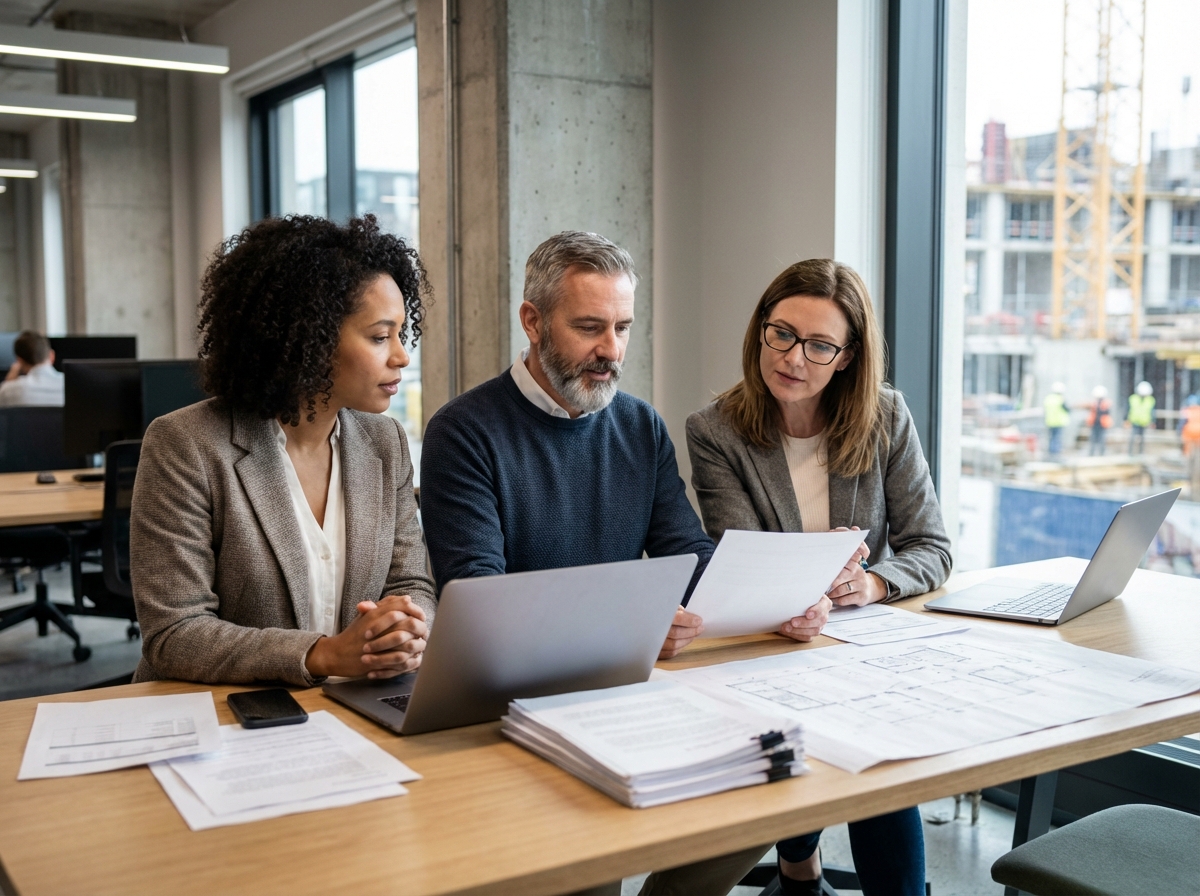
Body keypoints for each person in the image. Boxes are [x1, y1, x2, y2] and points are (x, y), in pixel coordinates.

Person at [420, 231, 780, 896]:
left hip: (625, 692)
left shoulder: (639, 426)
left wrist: (775, 603)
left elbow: (689, 555)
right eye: (589, 327)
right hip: (518, 708)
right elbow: (480, 600)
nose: (611, 351)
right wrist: (635, 624)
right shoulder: (464, 432)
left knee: (763, 787)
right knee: (588, 876)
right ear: (532, 321)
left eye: (622, 328)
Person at [686, 258, 952, 896]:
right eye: (781, 333)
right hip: (771, 644)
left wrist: (873, 584)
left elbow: (931, 547)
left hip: (861, 643)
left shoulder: (885, 418)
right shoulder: (716, 431)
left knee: (881, 766)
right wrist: (806, 578)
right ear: (760, 331)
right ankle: (798, 873)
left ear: (848, 357)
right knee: (802, 721)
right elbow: (738, 558)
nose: (794, 357)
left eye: (819, 345)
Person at [130, 215, 435, 686]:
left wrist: (409, 630)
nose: (401, 355)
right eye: (379, 336)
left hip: (353, 707)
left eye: (400, 333)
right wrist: (324, 656)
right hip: (225, 718)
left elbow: (411, 584)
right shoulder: (186, 445)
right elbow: (175, 633)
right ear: (307, 338)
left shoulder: (385, 442)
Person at [0, 330, 63, 407]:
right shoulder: (71, 385)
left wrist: (8, 383)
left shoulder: (9, 391)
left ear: (19, 361)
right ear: (51, 356)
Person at [1126, 381, 1155, 455]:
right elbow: (1127, 409)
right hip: (1134, 421)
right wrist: (1126, 419)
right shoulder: (1133, 398)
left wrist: (1153, 421)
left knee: (1142, 439)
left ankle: (1140, 453)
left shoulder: (1150, 400)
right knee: (1132, 438)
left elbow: (1152, 412)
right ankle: (1130, 453)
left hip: (1144, 422)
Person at [1043, 382, 1070, 458]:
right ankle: (1055, 455)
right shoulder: (1061, 399)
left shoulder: (1048, 398)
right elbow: (1067, 409)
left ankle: (1051, 453)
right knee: (1056, 438)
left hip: (1050, 422)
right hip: (1058, 422)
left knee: (1051, 438)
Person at [1086, 385, 1112, 456]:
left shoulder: (1105, 403)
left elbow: (1105, 412)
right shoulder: (1094, 403)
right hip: (1095, 423)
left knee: (1102, 439)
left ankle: (1101, 454)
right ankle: (1091, 454)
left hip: (1102, 424)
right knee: (1093, 439)